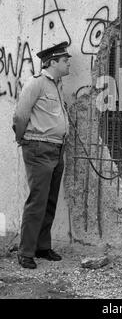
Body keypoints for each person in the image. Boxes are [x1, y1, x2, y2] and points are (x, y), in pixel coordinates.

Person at [13, 41, 71, 269]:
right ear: (53, 62)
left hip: (57, 148)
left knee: (50, 200)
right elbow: (20, 115)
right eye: (65, 61)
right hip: (38, 148)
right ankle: (26, 251)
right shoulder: (36, 84)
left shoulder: (58, 85)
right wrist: (22, 139)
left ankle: (42, 246)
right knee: (37, 200)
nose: (69, 65)